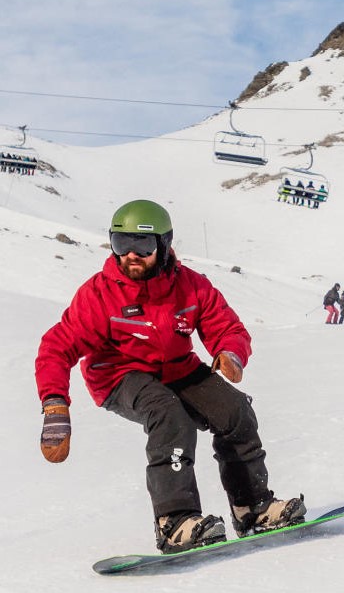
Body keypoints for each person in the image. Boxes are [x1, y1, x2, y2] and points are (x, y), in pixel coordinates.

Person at [35, 199, 305, 554]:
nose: (131, 255)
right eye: (121, 244)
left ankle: (252, 508)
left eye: (143, 246)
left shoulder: (191, 286)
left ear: (163, 245)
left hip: (178, 367)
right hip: (119, 374)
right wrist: (55, 405)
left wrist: (230, 353)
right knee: (169, 414)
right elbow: (56, 347)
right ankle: (175, 522)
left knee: (236, 411)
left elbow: (227, 327)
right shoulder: (99, 294)